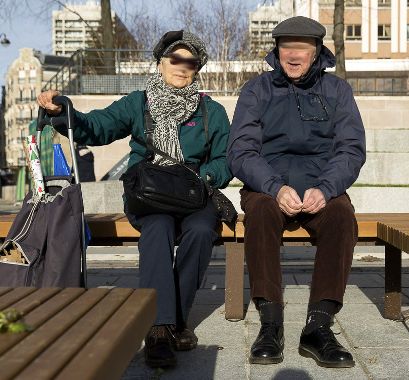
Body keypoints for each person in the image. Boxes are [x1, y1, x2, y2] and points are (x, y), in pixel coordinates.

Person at [37, 30, 233, 369]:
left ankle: (176, 321)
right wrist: (65, 108)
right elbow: (97, 126)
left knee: (202, 232)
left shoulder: (210, 112)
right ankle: (158, 329)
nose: (182, 66)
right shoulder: (138, 102)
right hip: (150, 194)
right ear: (160, 63)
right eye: (176, 58)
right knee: (156, 232)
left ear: (197, 69)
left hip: (191, 193)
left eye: (190, 61)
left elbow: (226, 158)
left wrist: (204, 178)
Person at [227, 16, 366, 368]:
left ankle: (318, 327)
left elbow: (350, 149)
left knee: (341, 216)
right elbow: (241, 151)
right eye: (286, 46)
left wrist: (327, 187)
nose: (293, 55)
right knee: (259, 212)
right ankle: (270, 324)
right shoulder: (256, 90)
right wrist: (274, 187)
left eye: (301, 48)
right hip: (268, 185)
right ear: (276, 50)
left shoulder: (337, 91)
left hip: (322, 185)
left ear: (317, 51)